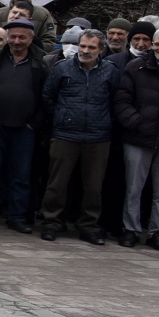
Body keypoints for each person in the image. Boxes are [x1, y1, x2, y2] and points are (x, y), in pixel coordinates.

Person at [40, 29, 120, 244]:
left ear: (101, 50)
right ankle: (51, 222)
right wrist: (61, 117)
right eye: (82, 46)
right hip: (65, 133)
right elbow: (48, 97)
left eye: (91, 47)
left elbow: (114, 100)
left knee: (93, 186)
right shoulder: (62, 68)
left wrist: (104, 121)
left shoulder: (110, 71)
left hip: (98, 136)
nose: (85, 51)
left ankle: (89, 226)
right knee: (57, 183)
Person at [113, 25, 159, 249]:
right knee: (134, 187)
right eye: (157, 44)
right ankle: (130, 229)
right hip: (139, 138)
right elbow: (122, 101)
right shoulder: (136, 67)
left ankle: (157, 231)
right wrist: (137, 123)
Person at [0, 18, 47, 233]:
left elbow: (46, 97)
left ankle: (17, 217)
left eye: (22, 37)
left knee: (20, 176)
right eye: (12, 37)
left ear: (31, 39)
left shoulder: (40, 63)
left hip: (25, 129)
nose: (16, 41)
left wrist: (34, 123)